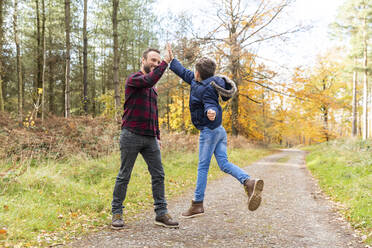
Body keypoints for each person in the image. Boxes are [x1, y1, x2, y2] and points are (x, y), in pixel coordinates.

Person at [167, 44, 264, 218]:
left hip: (209, 131)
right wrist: (171, 60)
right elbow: (183, 72)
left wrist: (210, 112)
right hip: (219, 131)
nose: (192, 73)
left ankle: (197, 204)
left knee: (203, 167)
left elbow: (211, 103)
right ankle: (249, 181)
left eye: (194, 71)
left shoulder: (205, 89)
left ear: (198, 73)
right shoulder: (200, 82)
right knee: (224, 164)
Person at [111, 48, 179, 229]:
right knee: (124, 175)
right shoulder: (134, 80)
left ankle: (161, 213)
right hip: (131, 134)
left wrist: (158, 136)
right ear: (143, 60)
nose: (156, 64)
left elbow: (153, 114)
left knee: (158, 175)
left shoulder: (153, 89)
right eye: (153, 60)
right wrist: (166, 62)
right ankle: (117, 213)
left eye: (158, 61)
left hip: (150, 139)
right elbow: (150, 79)